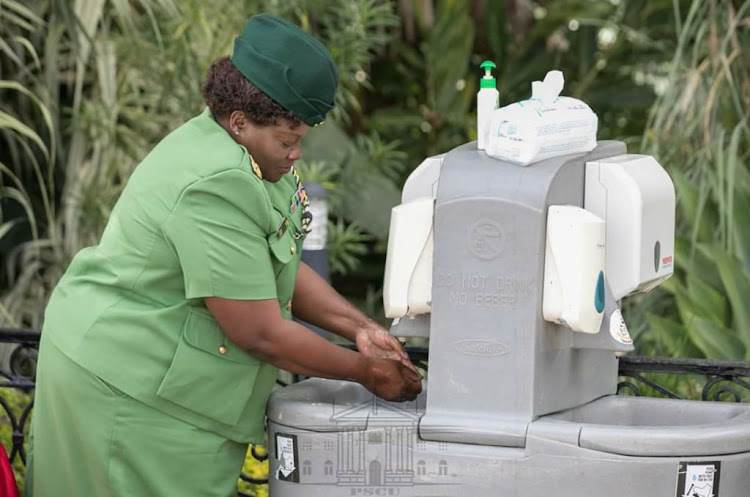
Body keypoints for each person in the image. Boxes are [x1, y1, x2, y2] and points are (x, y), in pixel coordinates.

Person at [25, 13, 422, 497]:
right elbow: (259, 332)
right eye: (288, 140)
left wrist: (361, 328)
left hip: (169, 379)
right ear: (239, 122)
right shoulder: (217, 182)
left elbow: (273, 266)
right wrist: (363, 371)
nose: (297, 154)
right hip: (120, 386)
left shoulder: (254, 156)